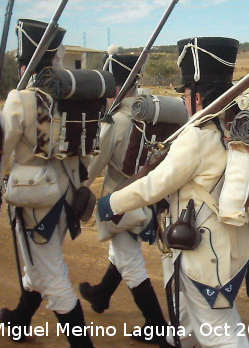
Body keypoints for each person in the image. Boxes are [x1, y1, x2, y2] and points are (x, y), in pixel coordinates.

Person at [97, 37, 249, 348]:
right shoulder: (232, 129)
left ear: (197, 97)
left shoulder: (196, 136)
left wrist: (111, 203)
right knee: (183, 325)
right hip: (224, 247)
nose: (184, 100)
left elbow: (155, 185)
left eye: (186, 93)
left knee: (222, 336)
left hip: (201, 253)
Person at [0, 18, 94, 347]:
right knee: (41, 262)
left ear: (24, 64)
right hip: (68, 196)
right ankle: (19, 319)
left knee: (51, 274)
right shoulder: (75, 95)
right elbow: (86, 152)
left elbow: (1, 152)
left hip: (36, 201)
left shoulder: (19, 98)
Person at [79, 50, 168, 345]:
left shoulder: (115, 122)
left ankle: (156, 324)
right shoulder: (152, 115)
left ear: (116, 88)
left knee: (130, 263)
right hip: (146, 200)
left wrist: (77, 186)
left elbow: (94, 167)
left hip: (119, 204)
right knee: (122, 252)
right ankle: (101, 295)